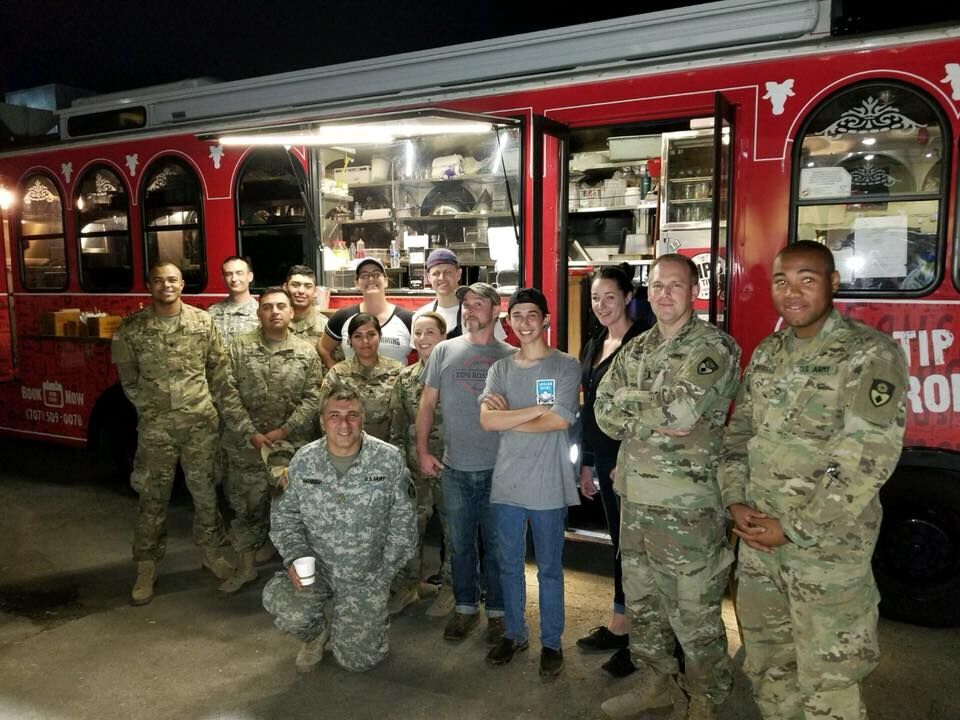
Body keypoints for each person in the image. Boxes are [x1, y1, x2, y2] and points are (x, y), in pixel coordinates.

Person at [718, 240, 907, 720]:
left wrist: (793, 528)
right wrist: (735, 502)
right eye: (782, 281)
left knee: (829, 682)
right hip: (759, 547)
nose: (793, 292)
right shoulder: (768, 352)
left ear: (833, 283)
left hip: (826, 554)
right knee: (768, 667)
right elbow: (739, 436)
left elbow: (867, 459)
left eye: (807, 279)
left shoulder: (869, 354)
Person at [595, 254, 741, 720]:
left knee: (694, 611)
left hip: (689, 507)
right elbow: (603, 411)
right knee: (645, 606)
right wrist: (648, 406)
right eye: (657, 286)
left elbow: (681, 413)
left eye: (676, 285)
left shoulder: (714, 347)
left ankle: (706, 697)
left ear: (694, 291)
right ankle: (656, 684)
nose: (665, 294)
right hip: (636, 499)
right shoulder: (637, 348)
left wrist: (630, 401)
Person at [112, 261, 244, 605]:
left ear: (183, 284)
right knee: (152, 497)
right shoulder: (132, 329)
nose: (166, 286)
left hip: (201, 425)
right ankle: (146, 566)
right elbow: (128, 380)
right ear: (149, 286)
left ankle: (211, 553)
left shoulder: (202, 323)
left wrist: (221, 412)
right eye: (158, 281)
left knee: (205, 492)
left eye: (172, 280)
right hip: (156, 430)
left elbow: (218, 373)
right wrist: (152, 410)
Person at [262, 386, 417, 672]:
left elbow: (404, 525)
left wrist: (383, 576)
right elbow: (284, 518)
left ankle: (356, 619)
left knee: (358, 662)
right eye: (334, 416)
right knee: (286, 605)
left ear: (362, 418)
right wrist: (295, 557)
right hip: (316, 568)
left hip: (366, 574)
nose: (344, 424)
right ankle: (316, 633)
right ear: (322, 421)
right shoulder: (303, 462)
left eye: (352, 415)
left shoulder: (388, 459)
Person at [479, 287, 581, 677]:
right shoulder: (500, 369)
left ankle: (551, 643)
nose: (524, 323)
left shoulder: (565, 365)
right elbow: (487, 420)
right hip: (507, 483)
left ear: (546, 320)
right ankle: (515, 633)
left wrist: (512, 417)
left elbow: (560, 420)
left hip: (549, 484)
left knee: (550, 569)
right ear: (509, 321)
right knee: (508, 564)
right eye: (516, 316)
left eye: (532, 315)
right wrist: (537, 410)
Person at [417, 282, 515, 646]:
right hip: (454, 470)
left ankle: (499, 614)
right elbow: (427, 404)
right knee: (459, 546)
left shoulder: (511, 356)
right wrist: (423, 450)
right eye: (466, 305)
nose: (469, 310)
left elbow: (526, 413)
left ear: (496, 310)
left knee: (496, 548)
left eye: (478, 304)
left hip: (499, 472)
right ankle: (465, 607)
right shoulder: (444, 350)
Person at [218, 287, 324, 593]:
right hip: (246, 446)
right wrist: (250, 432)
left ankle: (300, 575)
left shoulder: (306, 351)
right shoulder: (238, 348)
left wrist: (284, 431)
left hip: (291, 447)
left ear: (291, 313)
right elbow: (226, 393)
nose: (274, 312)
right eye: (267, 307)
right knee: (246, 508)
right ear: (258, 312)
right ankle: (246, 566)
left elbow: (313, 397)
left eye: (280, 306)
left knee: (293, 510)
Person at [575, 266, 651, 678]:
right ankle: (622, 623)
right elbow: (589, 407)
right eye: (595, 298)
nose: (601, 305)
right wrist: (587, 461)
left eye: (609, 296)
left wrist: (627, 457)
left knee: (638, 550)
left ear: (628, 297)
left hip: (632, 463)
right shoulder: (595, 343)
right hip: (603, 460)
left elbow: (646, 409)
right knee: (621, 545)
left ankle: (643, 639)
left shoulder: (644, 343)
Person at [388, 312, 454, 617]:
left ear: (444, 337)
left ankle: (453, 589)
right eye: (418, 333)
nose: (423, 339)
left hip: (451, 468)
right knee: (409, 529)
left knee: (455, 532)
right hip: (415, 470)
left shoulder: (457, 375)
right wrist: (402, 466)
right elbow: (397, 426)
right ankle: (409, 586)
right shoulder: (405, 378)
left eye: (430, 333)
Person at [321, 313, 402, 442]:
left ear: (380, 336)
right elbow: (324, 415)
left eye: (371, 334)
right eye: (358, 336)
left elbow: (404, 417)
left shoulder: (397, 371)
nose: (365, 341)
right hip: (347, 444)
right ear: (350, 340)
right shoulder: (337, 373)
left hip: (389, 446)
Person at [320, 257, 414, 367]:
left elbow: (426, 354)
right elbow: (323, 348)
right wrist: (337, 374)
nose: (370, 279)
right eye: (364, 275)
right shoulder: (343, 317)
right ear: (356, 283)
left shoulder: (408, 319)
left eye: (376, 274)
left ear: (386, 281)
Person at [411, 248, 505, 341]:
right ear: (429, 277)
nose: (441, 278)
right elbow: (419, 350)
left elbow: (499, 347)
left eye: (448, 272)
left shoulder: (483, 313)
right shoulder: (420, 316)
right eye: (436, 273)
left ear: (459, 274)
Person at [207, 256, 260, 339]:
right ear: (223, 279)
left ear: (250, 277)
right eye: (228, 274)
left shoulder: (260, 313)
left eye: (239, 273)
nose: (234, 279)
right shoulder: (212, 312)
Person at [283, 265, 329, 356]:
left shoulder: (326, 327)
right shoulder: (273, 322)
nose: (301, 291)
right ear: (285, 287)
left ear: (315, 292)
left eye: (308, 286)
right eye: (295, 285)